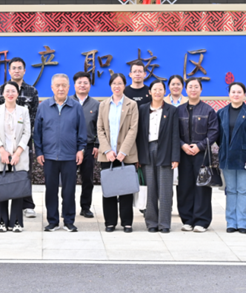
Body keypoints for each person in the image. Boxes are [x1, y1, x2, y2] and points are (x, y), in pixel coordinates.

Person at [34, 73, 87, 232]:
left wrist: (81, 149)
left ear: (69, 87)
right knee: (51, 190)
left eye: (64, 85)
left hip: (70, 156)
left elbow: (81, 131)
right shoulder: (43, 106)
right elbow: (37, 132)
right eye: (57, 85)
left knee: (69, 190)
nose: (61, 88)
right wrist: (39, 152)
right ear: (52, 87)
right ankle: (53, 221)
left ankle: (69, 220)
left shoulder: (76, 107)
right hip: (49, 156)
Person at [0, 57, 39, 218]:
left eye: (20, 68)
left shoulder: (32, 91)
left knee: (24, 172)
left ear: (24, 71)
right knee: (4, 173)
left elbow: (34, 117)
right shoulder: (0, 90)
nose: (17, 70)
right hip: (4, 142)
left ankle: (27, 204)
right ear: (9, 70)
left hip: (23, 141)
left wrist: (22, 143)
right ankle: (4, 204)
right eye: (14, 68)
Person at [216, 82, 246, 234]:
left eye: (239, 92)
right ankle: (231, 222)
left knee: (242, 190)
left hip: (245, 158)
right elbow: (219, 136)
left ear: (244, 94)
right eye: (233, 92)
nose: (236, 94)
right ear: (229, 94)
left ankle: (242, 223)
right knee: (230, 190)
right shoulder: (221, 113)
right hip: (227, 157)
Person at [97, 73, 139, 233]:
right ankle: (110, 222)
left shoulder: (131, 105)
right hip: (107, 155)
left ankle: (127, 222)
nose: (117, 86)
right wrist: (107, 150)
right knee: (109, 189)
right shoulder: (103, 105)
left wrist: (123, 151)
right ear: (110, 86)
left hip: (125, 155)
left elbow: (133, 129)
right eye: (114, 83)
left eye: (120, 83)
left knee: (126, 189)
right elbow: (100, 129)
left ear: (124, 85)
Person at [0, 81, 32, 232]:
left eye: (13, 91)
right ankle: (1, 221)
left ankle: (16, 222)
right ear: (3, 94)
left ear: (18, 93)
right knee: (2, 188)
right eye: (7, 91)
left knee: (18, 189)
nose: (10, 94)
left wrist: (18, 152)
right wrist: (2, 151)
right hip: (1, 155)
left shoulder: (23, 111)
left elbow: (27, 132)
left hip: (19, 155)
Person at [137, 80, 179, 233]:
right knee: (151, 189)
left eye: (160, 89)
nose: (157, 92)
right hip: (147, 150)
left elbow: (175, 134)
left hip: (165, 151)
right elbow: (138, 134)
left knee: (165, 189)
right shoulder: (142, 109)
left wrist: (175, 157)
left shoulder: (171, 110)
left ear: (164, 92)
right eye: (155, 89)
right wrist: (138, 157)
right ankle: (151, 223)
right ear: (150, 92)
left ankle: (164, 224)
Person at [177, 77, 219, 232]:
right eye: (190, 87)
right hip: (183, 154)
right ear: (185, 90)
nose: (193, 90)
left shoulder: (208, 110)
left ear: (201, 89)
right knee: (184, 187)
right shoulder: (179, 110)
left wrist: (199, 146)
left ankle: (202, 221)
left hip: (202, 155)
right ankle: (187, 220)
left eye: (196, 87)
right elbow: (174, 132)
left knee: (202, 186)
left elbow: (214, 132)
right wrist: (183, 145)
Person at [70, 71, 99, 219]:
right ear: (74, 85)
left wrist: (97, 145)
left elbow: (100, 127)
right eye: (79, 82)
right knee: (68, 180)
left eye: (85, 83)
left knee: (87, 179)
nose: (82, 85)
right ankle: (68, 207)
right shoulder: (68, 101)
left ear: (90, 85)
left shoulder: (96, 104)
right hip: (69, 147)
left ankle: (85, 207)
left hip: (88, 146)